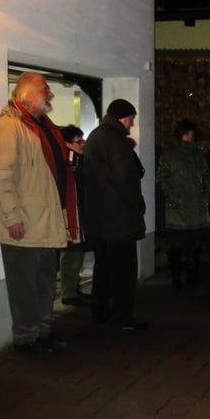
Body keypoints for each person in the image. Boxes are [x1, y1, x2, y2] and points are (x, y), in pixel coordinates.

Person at [0, 72, 81, 354]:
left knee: (44, 281)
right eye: (45, 90)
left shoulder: (43, 126)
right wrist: (12, 217)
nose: (50, 94)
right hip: (25, 222)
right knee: (25, 285)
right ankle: (26, 337)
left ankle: (42, 330)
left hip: (45, 220)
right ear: (27, 95)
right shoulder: (10, 127)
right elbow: (1, 176)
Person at [83, 99, 148, 332]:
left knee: (103, 268)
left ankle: (100, 311)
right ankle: (121, 318)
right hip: (119, 220)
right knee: (123, 272)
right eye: (131, 118)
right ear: (123, 118)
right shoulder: (116, 142)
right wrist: (138, 205)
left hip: (99, 218)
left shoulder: (96, 137)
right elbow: (125, 179)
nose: (132, 123)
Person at [156, 118, 210, 292]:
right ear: (185, 134)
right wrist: (176, 198)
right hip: (182, 210)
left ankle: (186, 277)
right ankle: (179, 277)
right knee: (180, 246)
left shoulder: (196, 156)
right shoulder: (173, 156)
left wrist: (205, 196)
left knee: (191, 246)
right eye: (190, 133)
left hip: (191, 209)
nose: (192, 136)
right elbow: (162, 180)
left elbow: (207, 178)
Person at [58, 125, 90, 307]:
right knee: (71, 253)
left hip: (79, 211)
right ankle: (69, 291)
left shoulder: (76, 160)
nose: (82, 144)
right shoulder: (70, 162)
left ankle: (72, 289)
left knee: (76, 252)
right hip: (72, 214)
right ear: (67, 143)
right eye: (78, 141)